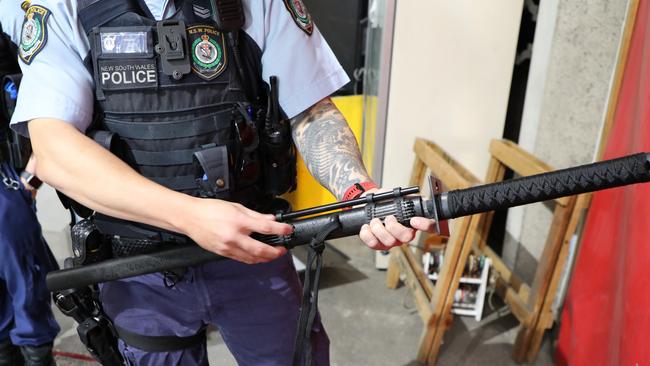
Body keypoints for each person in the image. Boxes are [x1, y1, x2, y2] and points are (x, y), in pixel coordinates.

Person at [9, 0, 435, 364]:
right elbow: (53, 149)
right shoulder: (65, 6)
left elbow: (311, 112)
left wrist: (357, 192)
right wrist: (190, 217)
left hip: (253, 253)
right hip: (138, 269)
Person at [0, 6, 60, 365]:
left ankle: (37, 355)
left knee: (24, 279)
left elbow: (40, 82)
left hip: (7, 177)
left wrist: (33, 176)